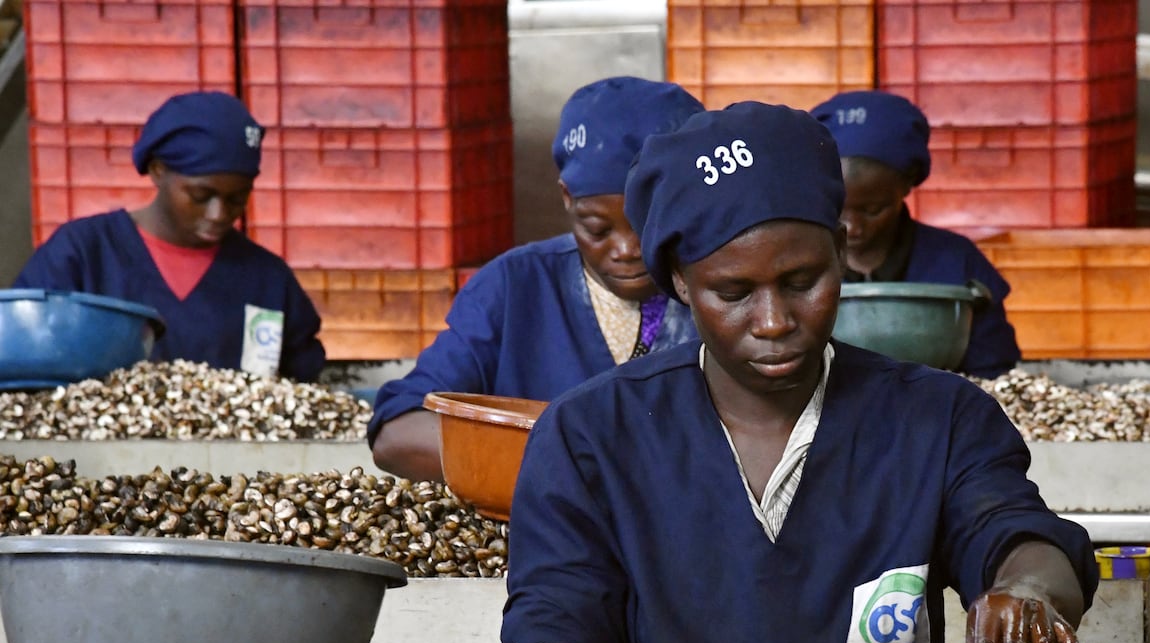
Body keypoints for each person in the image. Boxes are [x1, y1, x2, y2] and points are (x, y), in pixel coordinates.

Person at [500, 102, 1098, 643]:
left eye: (802, 282)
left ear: (839, 250)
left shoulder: (937, 419)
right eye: (733, 293)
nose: (773, 322)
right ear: (680, 280)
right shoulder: (592, 434)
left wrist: (1028, 593)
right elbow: (556, 635)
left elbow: (1014, 533)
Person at [368, 77, 704, 482]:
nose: (627, 249)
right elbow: (396, 433)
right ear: (567, 198)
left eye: (649, 226)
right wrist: (556, 473)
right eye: (597, 229)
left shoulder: (726, 285)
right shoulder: (515, 287)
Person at [14, 91, 325, 382]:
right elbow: (23, 349)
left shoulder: (268, 280)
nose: (218, 213)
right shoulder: (82, 254)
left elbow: (303, 382)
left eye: (237, 198)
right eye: (200, 195)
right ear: (157, 170)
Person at [810, 90, 1020, 379]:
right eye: (839, 210)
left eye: (873, 210)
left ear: (908, 182)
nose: (854, 227)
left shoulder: (957, 263)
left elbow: (994, 370)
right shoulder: (800, 261)